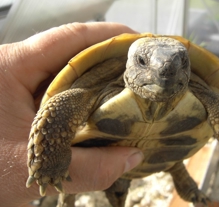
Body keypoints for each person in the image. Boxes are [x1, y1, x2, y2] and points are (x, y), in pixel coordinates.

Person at [0, 22, 144, 207]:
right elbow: (61, 109)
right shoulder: (87, 91)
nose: (165, 71)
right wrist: (50, 161)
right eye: (141, 61)